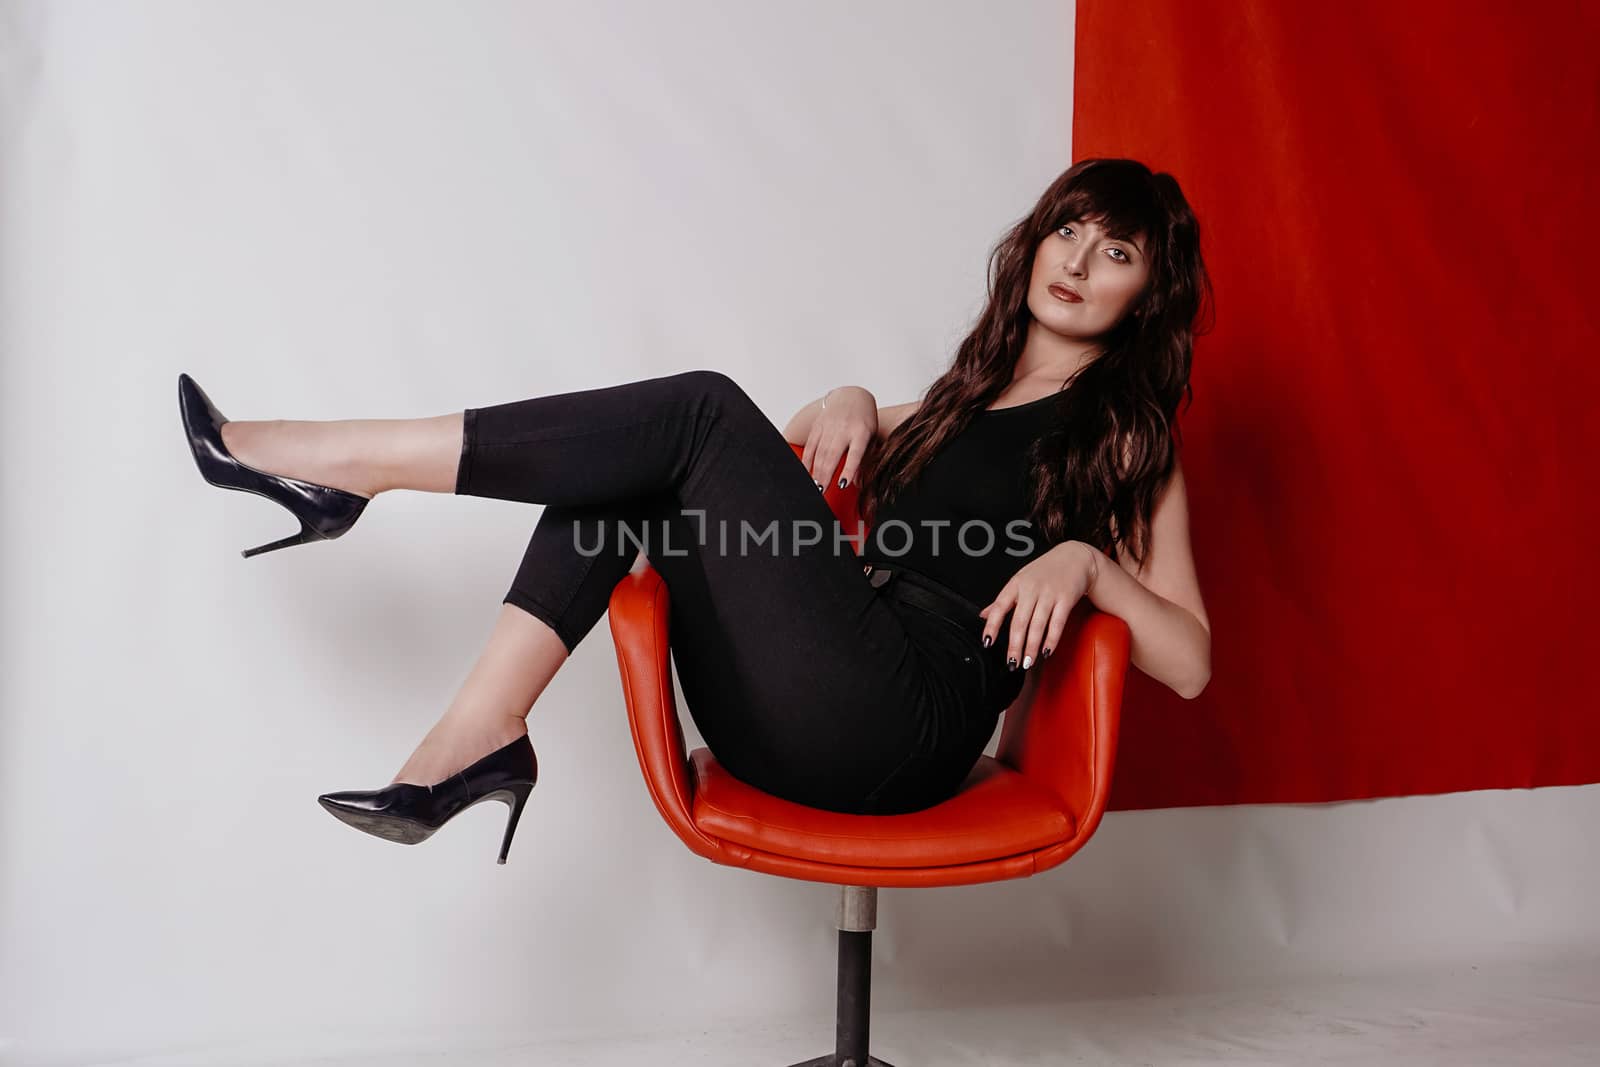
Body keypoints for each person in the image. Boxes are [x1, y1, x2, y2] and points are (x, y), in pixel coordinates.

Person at [177, 157, 1214, 864]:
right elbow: (801, 440)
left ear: (1146, 293)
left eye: (1115, 251)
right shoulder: (959, 402)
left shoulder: (1125, 437)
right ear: (1033, 243)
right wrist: (846, 397)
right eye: (1067, 230)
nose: (1077, 261)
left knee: (696, 408)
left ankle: (348, 461)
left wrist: (1085, 562)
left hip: (904, 721)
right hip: (801, 712)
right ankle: (480, 730)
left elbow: (1190, 659)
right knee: (626, 471)